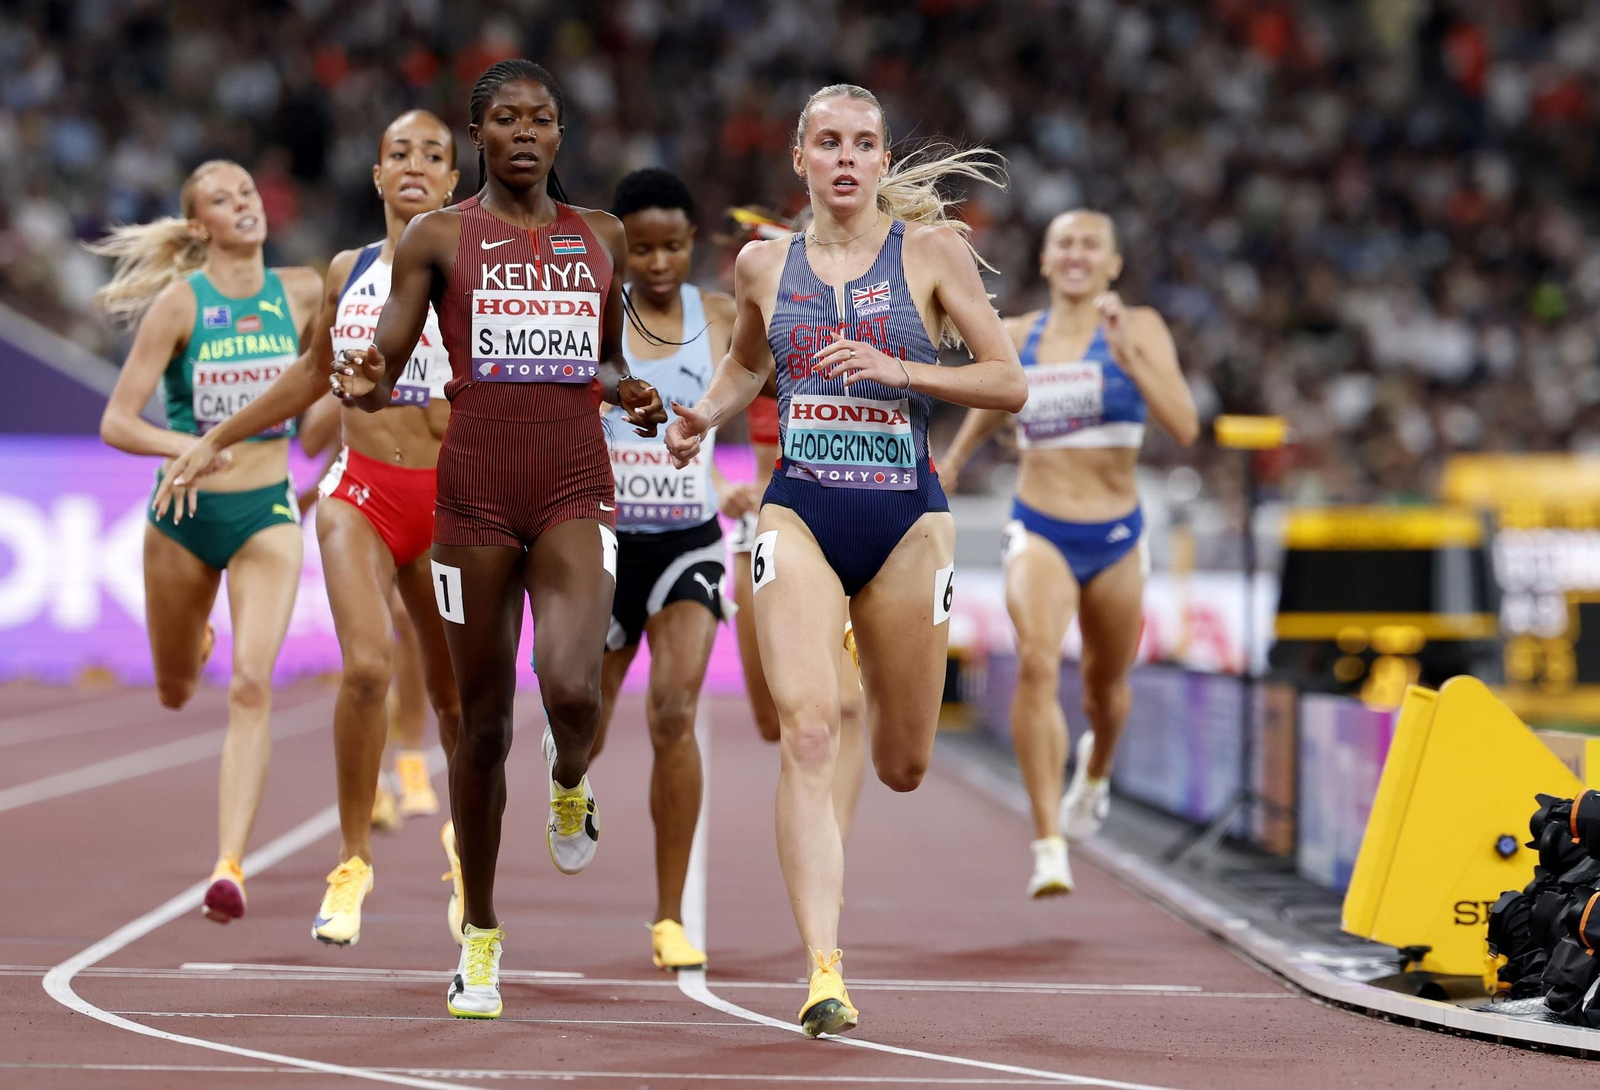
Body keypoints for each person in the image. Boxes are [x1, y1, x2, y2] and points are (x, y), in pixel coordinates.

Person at [665, 84, 1026, 1037]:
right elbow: (749, 365)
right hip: (801, 511)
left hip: (908, 522)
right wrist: (702, 415)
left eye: (864, 144)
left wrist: (901, 370)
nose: (847, 159)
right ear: (800, 159)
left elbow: (1009, 381)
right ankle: (824, 970)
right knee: (810, 730)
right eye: (828, 142)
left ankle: (877, 669)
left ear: (881, 161)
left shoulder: (933, 256)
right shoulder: (761, 264)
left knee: (904, 762)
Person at [330, 60, 665, 1020]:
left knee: (571, 690)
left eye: (543, 119)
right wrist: (361, 377)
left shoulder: (597, 237)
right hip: (471, 494)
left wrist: (628, 390)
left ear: (562, 137)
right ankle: (479, 938)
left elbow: (599, 359)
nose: (526, 132)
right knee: (480, 728)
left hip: (572, 484)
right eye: (507, 119)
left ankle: (570, 781)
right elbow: (389, 351)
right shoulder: (439, 237)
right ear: (479, 137)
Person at [156, 111, 465, 946]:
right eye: (397, 153)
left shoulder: (477, 273)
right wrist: (215, 437)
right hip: (358, 494)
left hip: (449, 504)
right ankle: (353, 860)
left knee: (454, 697)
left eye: (432, 156)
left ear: (452, 182)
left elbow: (516, 385)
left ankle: (469, 851)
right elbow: (309, 372)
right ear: (375, 175)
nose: (413, 165)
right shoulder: (347, 270)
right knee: (367, 668)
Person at [938, 210, 1197, 897]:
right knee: (1035, 662)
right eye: (1065, 245)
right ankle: (1048, 841)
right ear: (1047, 261)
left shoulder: (1139, 328)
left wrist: (1129, 353)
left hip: (1115, 536)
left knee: (1107, 693)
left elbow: (1186, 424)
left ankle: (1097, 771)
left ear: (1112, 264)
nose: (1077, 255)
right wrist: (958, 458)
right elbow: (994, 399)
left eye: (1091, 245)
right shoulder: (1020, 335)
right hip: (1040, 526)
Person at [93, 160, 322, 923]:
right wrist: (178, 448)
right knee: (174, 690)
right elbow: (117, 420)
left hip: (266, 512)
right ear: (199, 227)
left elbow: (336, 385)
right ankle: (191, 639)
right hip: (184, 522)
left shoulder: (302, 292)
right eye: (222, 201)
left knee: (251, 684)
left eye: (249, 193)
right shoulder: (179, 305)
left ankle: (229, 865)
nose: (243, 205)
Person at [582, 167, 736, 972]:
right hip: (605, 548)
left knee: (673, 714)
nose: (657, 262)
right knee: (585, 728)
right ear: (620, 250)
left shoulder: (719, 316)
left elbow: (772, 388)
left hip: (688, 542)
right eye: (640, 248)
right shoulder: (593, 322)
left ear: (693, 244)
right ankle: (568, 784)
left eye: (673, 245)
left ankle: (670, 916)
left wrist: (755, 478)